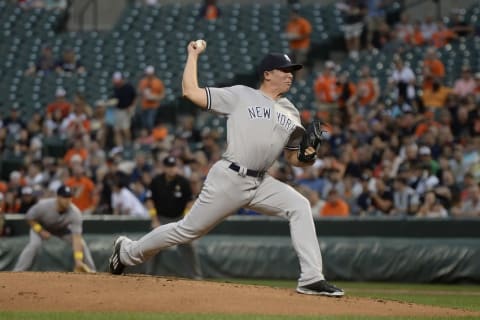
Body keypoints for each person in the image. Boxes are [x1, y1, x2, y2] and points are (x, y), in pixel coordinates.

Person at [108, 41, 344, 297]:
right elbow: (191, 92)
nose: (290, 75)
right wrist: (193, 55)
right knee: (187, 231)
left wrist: (308, 156)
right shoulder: (241, 95)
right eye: (284, 70)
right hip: (231, 176)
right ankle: (127, 252)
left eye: (292, 71)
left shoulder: (291, 111)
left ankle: (311, 278)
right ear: (267, 74)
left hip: (261, 183)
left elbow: (294, 160)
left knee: (299, 205)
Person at [13, 185, 96, 272]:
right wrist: (40, 230)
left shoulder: (75, 213)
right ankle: (18, 271)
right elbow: (29, 217)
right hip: (42, 227)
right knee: (34, 245)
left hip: (61, 230)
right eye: (65, 197)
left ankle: (92, 271)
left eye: (69, 197)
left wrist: (78, 261)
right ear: (58, 197)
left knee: (82, 244)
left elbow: (76, 238)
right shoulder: (44, 205)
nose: (68, 200)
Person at [145, 155, 202, 279]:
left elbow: (190, 201)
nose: (172, 169)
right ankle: (148, 275)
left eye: (174, 166)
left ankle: (195, 277)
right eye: (169, 167)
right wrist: (154, 220)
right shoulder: (156, 181)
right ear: (164, 168)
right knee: (152, 245)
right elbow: (149, 200)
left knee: (188, 244)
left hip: (179, 218)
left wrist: (186, 218)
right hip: (161, 218)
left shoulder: (183, 182)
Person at [137, 65, 165, 132]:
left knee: (150, 122)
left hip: (153, 106)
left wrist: (154, 97)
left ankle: (152, 136)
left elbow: (162, 95)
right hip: (144, 105)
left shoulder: (158, 82)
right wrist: (142, 93)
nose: (149, 75)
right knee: (144, 123)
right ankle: (147, 138)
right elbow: (139, 91)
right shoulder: (143, 81)